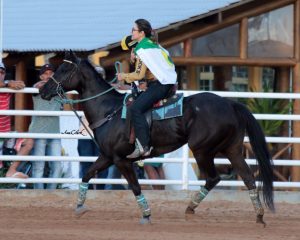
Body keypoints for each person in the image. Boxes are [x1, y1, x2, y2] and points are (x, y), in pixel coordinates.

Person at [117, 19, 177, 158]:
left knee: (135, 108)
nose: (131, 32)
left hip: (161, 85)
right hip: (167, 82)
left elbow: (139, 74)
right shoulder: (153, 45)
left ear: (141, 33)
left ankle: (144, 145)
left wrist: (123, 76)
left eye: (133, 30)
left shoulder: (142, 49)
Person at [28, 64, 62, 189]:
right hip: (39, 132)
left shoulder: (59, 87)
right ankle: (39, 194)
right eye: (46, 73)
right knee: (38, 166)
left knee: (57, 166)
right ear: (41, 76)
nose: (48, 76)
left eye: (51, 73)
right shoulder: (37, 86)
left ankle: (50, 193)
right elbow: (39, 86)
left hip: (55, 132)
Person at [0, 62, 29, 178]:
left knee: (28, 141)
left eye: (2, 72)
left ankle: (11, 171)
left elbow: (22, 84)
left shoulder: (7, 86)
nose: (0, 74)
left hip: (6, 133)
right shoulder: (7, 86)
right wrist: (8, 84)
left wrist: (9, 83)